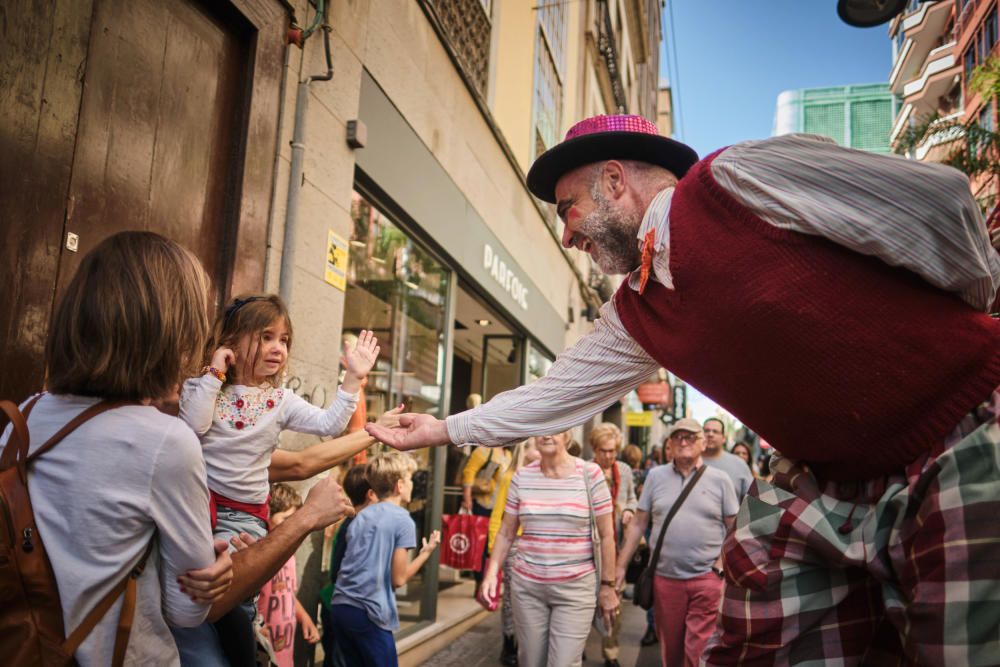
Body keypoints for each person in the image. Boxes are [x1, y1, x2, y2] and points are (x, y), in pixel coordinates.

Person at [366, 114, 1000, 665]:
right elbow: (552, 393)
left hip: (960, 434)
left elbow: (938, 205)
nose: (567, 234)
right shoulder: (637, 314)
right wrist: (442, 429)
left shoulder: (738, 180)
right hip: (836, 483)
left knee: (956, 646)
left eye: (568, 209)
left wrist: (966, 334)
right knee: (750, 641)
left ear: (614, 180)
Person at [0, 231, 231, 664]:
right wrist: (219, 569)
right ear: (166, 332)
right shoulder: (167, 441)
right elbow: (187, 611)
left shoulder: (26, 415)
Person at [177, 296, 379, 664]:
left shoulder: (280, 400)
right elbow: (193, 426)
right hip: (194, 510)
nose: (278, 348)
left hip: (242, 518)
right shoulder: (203, 387)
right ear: (233, 340)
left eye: (284, 340)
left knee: (233, 602)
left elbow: (329, 424)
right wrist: (215, 373)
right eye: (266, 337)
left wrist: (353, 378)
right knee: (190, 601)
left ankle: (246, 657)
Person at [480, 430, 618, 667]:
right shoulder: (521, 477)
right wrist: (491, 573)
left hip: (575, 589)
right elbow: (506, 532)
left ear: (568, 435)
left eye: (556, 429)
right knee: (530, 662)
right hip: (528, 588)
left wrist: (607, 586)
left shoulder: (589, 474)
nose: (547, 435)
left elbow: (607, 536)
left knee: (563, 663)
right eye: (541, 430)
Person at [615, 419, 738, 666]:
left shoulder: (720, 479)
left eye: (690, 437)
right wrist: (619, 567)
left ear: (702, 443)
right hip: (666, 579)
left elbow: (735, 527)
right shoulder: (655, 477)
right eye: (678, 437)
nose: (683, 442)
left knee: (697, 651)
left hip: (706, 578)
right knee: (671, 649)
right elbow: (639, 522)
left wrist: (720, 565)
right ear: (669, 444)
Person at [329, 452, 441, 666]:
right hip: (369, 612)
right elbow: (398, 579)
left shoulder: (361, 516)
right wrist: (425, 554)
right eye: (409, 480)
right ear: (399, 485)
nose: (411, 485)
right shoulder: (403, 520)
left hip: (341, 607)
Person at [486, 439, 540, 666]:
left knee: (529, 597)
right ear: (525, 451)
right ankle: (509, 644)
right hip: (514, 543)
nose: (540, 449)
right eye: (534, 445)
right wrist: (493, 552)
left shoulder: (541, 479)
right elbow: (498, 514)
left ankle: (527, 643)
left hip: (535, 544)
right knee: (510, 598)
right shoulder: (510, 477)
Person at [588, 423, 637, 667]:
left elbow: (631, 497)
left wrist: (628, 510)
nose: (609, 456)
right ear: (594, 449)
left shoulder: (625, 470)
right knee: (584, 603)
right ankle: (578, 646)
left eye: (613, 451)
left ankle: (611, 653)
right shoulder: (584, 470)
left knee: (613, 603)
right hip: (587, 549)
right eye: (604, 451)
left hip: (616, 547)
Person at [319, 465, 377, 667]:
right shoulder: (355, 526)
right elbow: (338, 573)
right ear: (372, 495)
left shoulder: (356, 522)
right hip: (340, 606)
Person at [255, 484, 319, 667]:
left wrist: (305, 618)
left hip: (286, 649)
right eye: (286, 519)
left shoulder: (289, 554)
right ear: (267, 517)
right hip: (264, 649)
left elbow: (289, 594)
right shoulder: (259, 554)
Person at [701, 418, 753, 500]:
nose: (710, 434)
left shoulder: (739, 464)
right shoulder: (688, 461)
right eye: (706, 431)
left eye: (715, 431)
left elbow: (754, 501)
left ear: (723, 438)